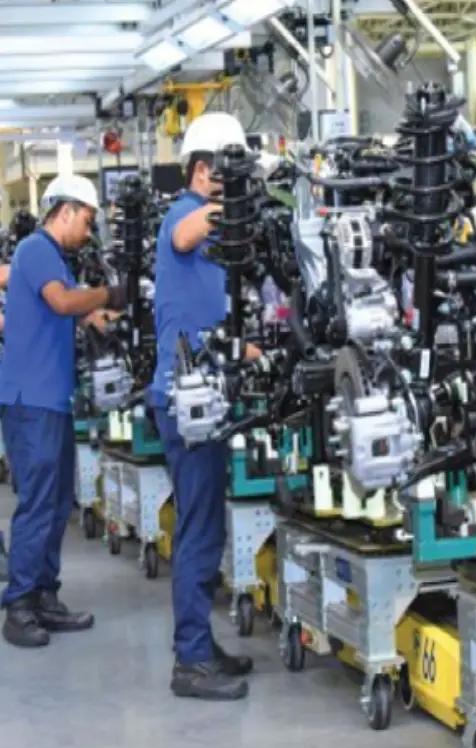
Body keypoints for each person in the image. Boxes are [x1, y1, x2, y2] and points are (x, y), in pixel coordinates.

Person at [150, 112, 261, 701]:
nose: (234, 184)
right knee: (197, 529)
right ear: (202, 170)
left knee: (207, 525)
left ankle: (201, 645)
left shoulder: (215, 238)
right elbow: (185, 234)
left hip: (206, 393)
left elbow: (206, 309)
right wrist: (240, 199)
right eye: (228, 170)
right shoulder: (181, 218)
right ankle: (190, 662)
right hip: (184, 399)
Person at [0, 174, 128, 648]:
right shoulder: (36, 250)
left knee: (56, 505)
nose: (88, 231)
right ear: (66, 211)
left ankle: (44, 596)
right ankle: (18, 606)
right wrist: (107, 293)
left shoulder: (57, 260)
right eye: (87, 220)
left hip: (51, 399)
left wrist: (123, 309)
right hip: (29, 400)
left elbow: (84, 312)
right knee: (37, 503)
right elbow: (64, 302)